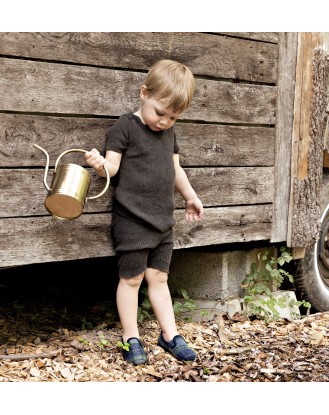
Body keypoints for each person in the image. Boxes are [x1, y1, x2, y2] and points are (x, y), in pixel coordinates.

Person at [84, 59, 204, 365]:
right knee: (132, 280)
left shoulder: (169, 134)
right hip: (133, 220)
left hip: (163, 221)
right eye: (160, 113)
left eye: (173, 117)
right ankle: (130, 337)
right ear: (143, 94)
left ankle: (169, 335)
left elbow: (176, 169)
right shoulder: (125, 127)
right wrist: (99, 165)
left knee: (160, 279)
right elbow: (112, 167)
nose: (164, 122)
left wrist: (190, 196)